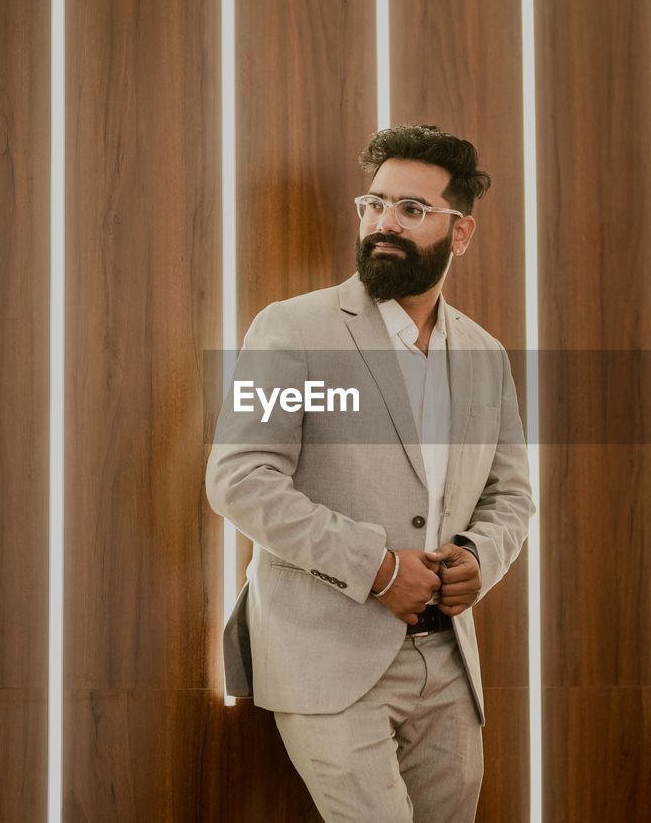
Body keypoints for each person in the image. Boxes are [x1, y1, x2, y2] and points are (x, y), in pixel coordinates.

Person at [206, 124, 534, 822]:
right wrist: (379, 566)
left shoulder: (485, 354)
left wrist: (480, 556)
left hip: (448, 665)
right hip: (327, 659)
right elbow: (240, 478)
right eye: (375, 203)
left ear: (462, 232)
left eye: (412, 209)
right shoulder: (292, 331)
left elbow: (512, 495)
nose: (384, 222)